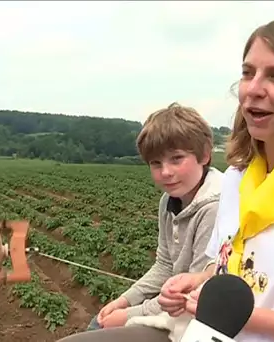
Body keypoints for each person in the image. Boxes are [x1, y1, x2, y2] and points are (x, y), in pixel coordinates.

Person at [58, 18, 274, 342]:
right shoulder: (240, 176)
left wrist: (244, 316)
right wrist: (196, 283)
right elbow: (221, 265)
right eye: (248, 73)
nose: (253, 89)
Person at [84, 102, 224, 331]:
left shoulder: (214, 208)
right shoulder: (169, 201)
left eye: (176, 159)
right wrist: (124, 300)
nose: (166, 172)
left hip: (196, 319)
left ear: (205, 155)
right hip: (174, 306)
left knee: (100, 328)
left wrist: (128, 315)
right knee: (99, 323)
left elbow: (193, 292)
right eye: (156, 163)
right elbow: (165, 265)